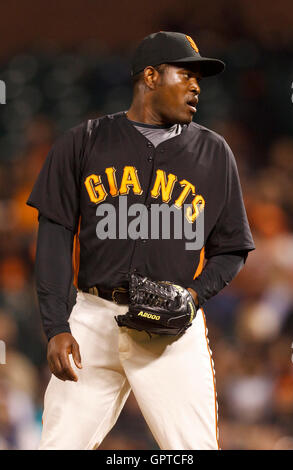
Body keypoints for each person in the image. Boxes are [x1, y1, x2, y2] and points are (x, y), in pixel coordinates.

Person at [27, 31, 255, 450]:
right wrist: (56, 324)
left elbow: (232, 248)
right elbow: (55, 234)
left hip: (171, 328)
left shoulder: (214, 152)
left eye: (198, 79)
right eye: (185, 74)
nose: (195, 86)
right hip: (92, 320)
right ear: (150, 76)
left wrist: (194, 296)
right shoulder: (84, 141)